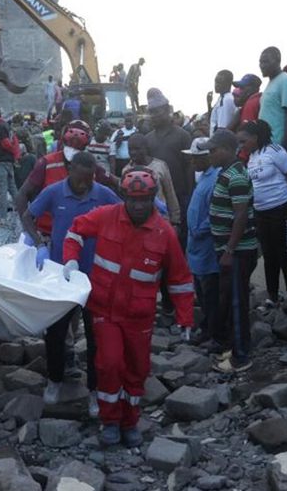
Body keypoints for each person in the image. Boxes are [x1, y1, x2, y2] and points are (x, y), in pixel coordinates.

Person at [63, 170, 193, 447]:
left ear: (152, 198)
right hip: (104, 311)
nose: (137, 206)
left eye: (144, 200)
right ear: (124, 197)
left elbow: (180, 278)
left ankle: (129, 420)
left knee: (137, 369)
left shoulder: (164, 233)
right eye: (132, 200)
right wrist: (71, 260)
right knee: (109, 364)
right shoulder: (106, 216)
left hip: (139, 316)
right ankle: (110, 420)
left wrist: (185, 317)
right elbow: (74, 232)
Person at [20, 151, 121, 416]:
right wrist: (39, 243)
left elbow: (124, 215)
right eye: (79, 180)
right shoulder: (54, 192)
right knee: (55, 333)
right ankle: (55, 380)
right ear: (70, 172)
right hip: (60, 276)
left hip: (95, 277)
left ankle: (94, 392)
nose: (83, 186)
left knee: (95, 336)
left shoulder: (102, 194)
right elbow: (28, 215)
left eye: (88, 180)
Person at [202, 130, 259, 373]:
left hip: (237, 251)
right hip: (228, 249)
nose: (210, 154)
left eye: (213, 150)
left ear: (226, 149)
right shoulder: (226, 172)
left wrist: (229, 250)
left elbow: (241, 215)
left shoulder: (235, 175)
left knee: (237, 302)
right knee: (230, 299)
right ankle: (235, 347)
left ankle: (241, 358)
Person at [16, 120, 113, 237]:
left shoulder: (90, 166)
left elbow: (114, 182)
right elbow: (22, 194)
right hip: (48, 233)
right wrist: (29, 231)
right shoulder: (46, 163)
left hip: (82, 233)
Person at [237, 120, 287, 307]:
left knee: (286, 254)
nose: (241, 145)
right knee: (269, 256)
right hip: (261, 213)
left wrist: (285, 197)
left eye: (243, 141)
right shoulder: (252, 156)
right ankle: (272, 296)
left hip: (282, 210)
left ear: (255, 138)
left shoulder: (274, 150)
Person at [144, 89, 192, 242]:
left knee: (180, 235)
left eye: (156, 112)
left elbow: (189, 168)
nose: (153, 116)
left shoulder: (182, 136)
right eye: (151, 112)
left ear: (166, 110)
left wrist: (188, 195)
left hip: (180, 195)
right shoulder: (148, 139)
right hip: (156, 197)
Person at [184, 137, 219, 344]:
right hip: (197, 246)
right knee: (202, 291)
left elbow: (216, 213)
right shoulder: (204, 177)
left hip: (206, 246)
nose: (192, 162)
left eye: (196, 158)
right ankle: (207, 328)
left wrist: (199, 229)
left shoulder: (215, 178)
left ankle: (213, 333)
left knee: (210, 294)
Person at [123, 133, 181, 226]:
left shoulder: (160, 166)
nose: (133, 152)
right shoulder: (126, 171)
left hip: (161, 219)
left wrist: (175, 221)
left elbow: (170, 194)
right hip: (137, 222)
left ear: (145, 148)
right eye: (130, 149)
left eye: (137, 149)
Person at [258, 47, 287, 156]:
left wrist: (283, 146)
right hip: (268, 146)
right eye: (260, 62)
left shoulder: (286, 81)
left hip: (279, 147)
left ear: (277, 61)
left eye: (266, 61)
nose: (262, 65)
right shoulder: (273, 82)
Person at [208, 70, 238, 135]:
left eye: (220, 82)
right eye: (216, 81)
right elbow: (213, 120)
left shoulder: (226, 100)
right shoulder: (222, 98)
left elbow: (222, 127)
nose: (216, 85)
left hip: (219, 142)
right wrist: (209, 104)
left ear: (228, 83)